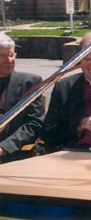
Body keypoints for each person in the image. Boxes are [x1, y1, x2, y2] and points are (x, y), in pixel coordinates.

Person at [41, 32, 91, 153]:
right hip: (69, 154)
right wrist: (80, 124)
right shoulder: (64, 86)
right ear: (79, 59)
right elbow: (49, 132)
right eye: (87, 59)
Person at [0, 32, 44, 164]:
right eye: (2, 56)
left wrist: (5, 147)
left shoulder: (30, 83)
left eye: (11, 55)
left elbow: (35, 123)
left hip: (11, 153)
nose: (9, 60)